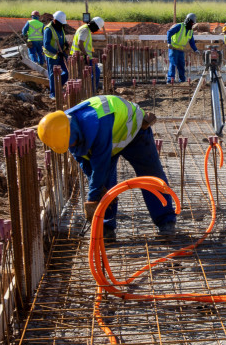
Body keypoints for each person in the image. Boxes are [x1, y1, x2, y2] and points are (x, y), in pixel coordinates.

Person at [37, 95, 176, 240]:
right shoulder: (65, 130)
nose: (71, 146)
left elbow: (100, 162)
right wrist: (97, 189)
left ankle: (166, 222)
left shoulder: (96, 123)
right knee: (104, 185)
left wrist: (92, 197)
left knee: (151, 176)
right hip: (111, 140)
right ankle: (106, 228)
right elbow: (85, 162)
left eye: (71, 143)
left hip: (134, 131)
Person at [71, 16, 105, 90]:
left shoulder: (85, 29)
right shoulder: (85, 30)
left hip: (82, 55)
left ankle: (89, 89)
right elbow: (80, 43)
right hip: (82, 56)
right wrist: (86, 55)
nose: (96, 30)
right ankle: (92, 90)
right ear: (94, 25)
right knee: (96, 71)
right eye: (97, 28)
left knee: (87, 73)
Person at [42, 11, 70, 98]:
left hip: (61, 54)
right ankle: (53, 93)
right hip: (52, 55)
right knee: (52, 75)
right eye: (60, 23)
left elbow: (62, 38)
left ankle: (58, 86)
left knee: (66, 72)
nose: (61, 25)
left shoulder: (60, 27)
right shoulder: (48, 29)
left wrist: (66, 44)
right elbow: (46, 45)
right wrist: (57, 52)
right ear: (54, 21)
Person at [166, 13, 200, 83]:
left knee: (181, 65)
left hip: (181, 50)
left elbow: (192, 42)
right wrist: (169, 43)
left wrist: (195, 50)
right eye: (191, 23)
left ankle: (182, 80)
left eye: (193, 23)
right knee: (173, 64)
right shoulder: (179, 26)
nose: (192, 24)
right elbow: (169, 32)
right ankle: (170, 80)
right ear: (188, 21)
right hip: (174, 49)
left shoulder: (190, 31)